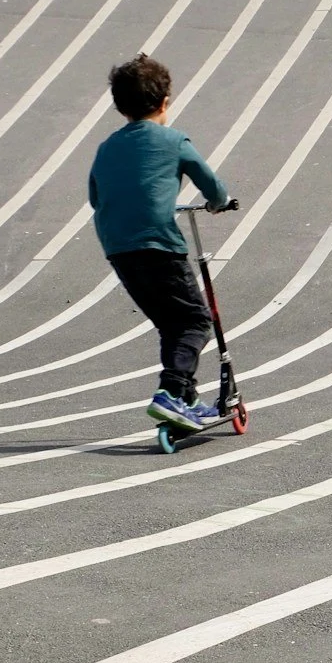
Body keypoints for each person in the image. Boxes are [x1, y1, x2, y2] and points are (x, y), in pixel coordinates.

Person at [88, 53, 233, 430]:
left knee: (171, 323)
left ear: (121, 108)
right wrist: (218, 205)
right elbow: (211, 185)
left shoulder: (106, 148)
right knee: (196, 321)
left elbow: (95, 196)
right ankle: (170, 392)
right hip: (158, 244)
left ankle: (184, 399)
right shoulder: (173, 140)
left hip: (118, 248)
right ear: (165, 101)